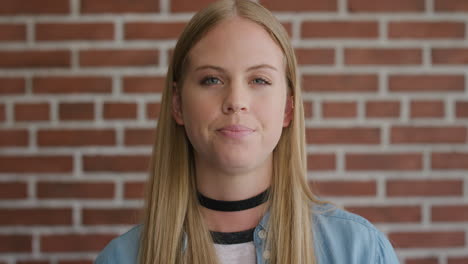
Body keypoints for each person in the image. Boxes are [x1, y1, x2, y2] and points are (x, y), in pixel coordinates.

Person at [94, 0, 400, 263]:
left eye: (259, 80)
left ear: (288, 108)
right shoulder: (121, 258)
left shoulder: (360, 251)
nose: (236, 102)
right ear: (177, 104)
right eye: (212, 80)